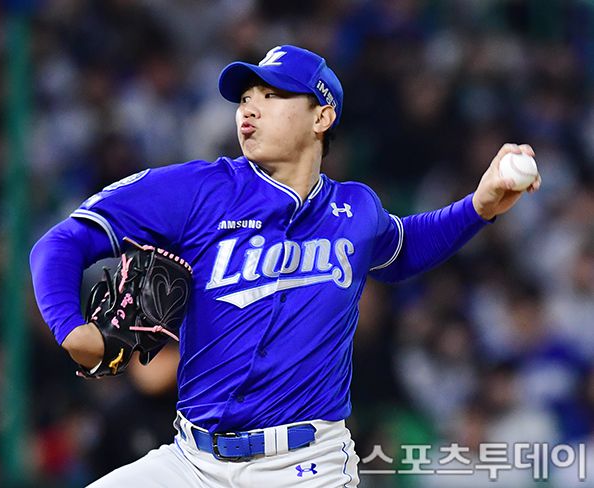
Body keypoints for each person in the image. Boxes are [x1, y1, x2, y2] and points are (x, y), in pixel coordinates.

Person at [30, 45, 541, 487]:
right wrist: (71, 328)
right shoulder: (199, 190)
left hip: (306, 466)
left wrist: (479, 206)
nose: (249, 107)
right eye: (245, 98)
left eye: (272, 95)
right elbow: (60, 242)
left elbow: (402, 248)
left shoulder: (356, 210)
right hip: (192, 462)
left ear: (322, 117)